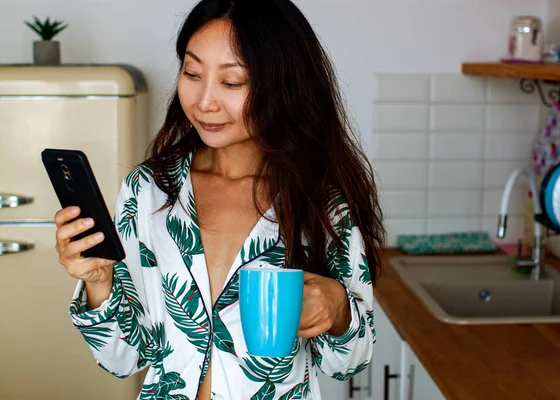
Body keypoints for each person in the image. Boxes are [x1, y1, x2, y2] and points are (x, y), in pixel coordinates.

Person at [53, 0, 385, 398]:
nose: (204, 101)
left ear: (283, 85)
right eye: (192, 73)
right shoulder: (150, 190)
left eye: (232, 82)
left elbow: (351, 362)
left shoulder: (321, 200)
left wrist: (338, 309)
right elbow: (123, 358)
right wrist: (98, 281)